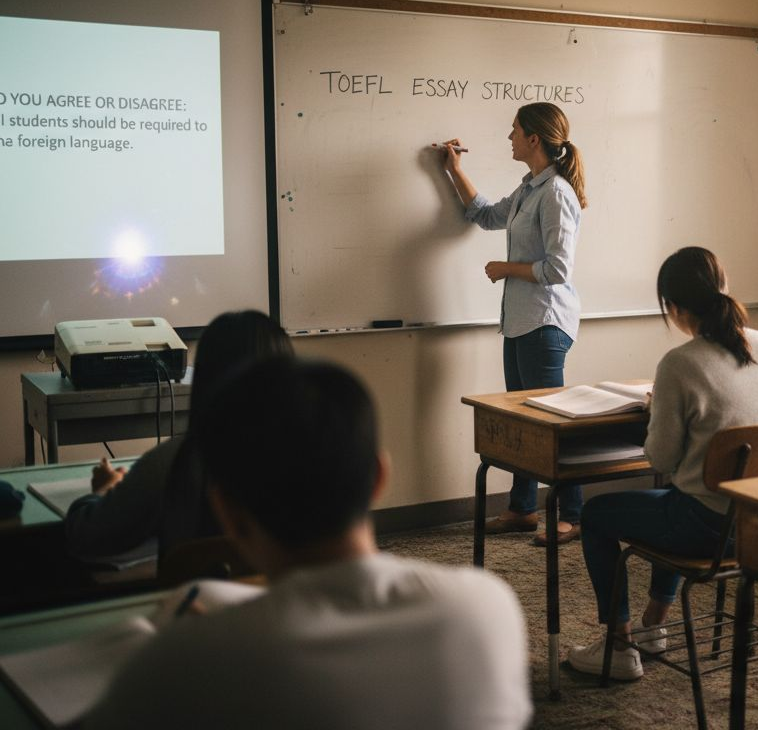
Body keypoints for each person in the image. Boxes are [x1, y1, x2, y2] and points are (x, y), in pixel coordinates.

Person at [83, 358, 532, 730]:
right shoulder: (486, 608)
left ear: (226, 511)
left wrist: (179, 637)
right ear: (379, 478)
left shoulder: (181, 665)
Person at [565, 246, 758, 680]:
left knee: (596, 515)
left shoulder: (679, 364)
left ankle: (619, 646)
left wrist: (658, 413)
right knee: (675, 496)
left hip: (708, 529)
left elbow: (662, 458)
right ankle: (653, 626)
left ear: (672, 307)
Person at [440, 101, 587, 546]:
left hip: (545, 323)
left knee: (553, 425)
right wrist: (453, 169)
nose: (509, 137)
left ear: (534, 139)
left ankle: (572, 515)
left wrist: (507, 269)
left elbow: (558, 269)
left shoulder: (557, 194)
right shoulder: (529, 188)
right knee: (525, 423)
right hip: (521, 322)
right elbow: (485, 214)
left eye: (514, 131)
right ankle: (523, 510)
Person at [65, 310, 292, 561]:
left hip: (198, 600)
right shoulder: (313, 456)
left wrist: (103, 490)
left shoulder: (173, 463)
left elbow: (86, 536)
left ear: (206, 376)